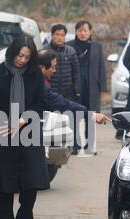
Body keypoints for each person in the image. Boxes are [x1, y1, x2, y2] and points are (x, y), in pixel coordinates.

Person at [0, 49, 110, 219]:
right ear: (40, 67)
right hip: (1, 136)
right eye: (53, 67)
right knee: (2, 180)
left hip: (25, 140)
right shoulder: (1, 76)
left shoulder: (36, 84)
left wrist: (89, 114)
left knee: (22, 182)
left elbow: (58, 102)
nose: (55, 71)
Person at [0, 35, 49, 219]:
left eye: (27, 57)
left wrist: (23, 119)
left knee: (32, 185)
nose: (22, 60)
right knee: (5, 189)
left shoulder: (35, 73)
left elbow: (41, 103)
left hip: (28, 132)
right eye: (20, 55)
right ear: (12, 52)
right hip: (2, 134)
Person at [66, 20, 107, 155]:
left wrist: (103, 87)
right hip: (74, 86)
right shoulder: (69, 46)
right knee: (74, 115)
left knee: (91, 115)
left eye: (85, 31)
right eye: (80, 31)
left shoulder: (96, 46)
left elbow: (101, 66)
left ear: (90, 32)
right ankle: (75, 146)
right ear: (76, 32)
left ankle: (90, 146)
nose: (83, 33)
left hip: (92, 86)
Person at [44, 24, 82, 154]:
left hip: (68, 92)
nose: (60, 38)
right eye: (57, 35)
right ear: (52, 35)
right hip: (51, 92)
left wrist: (77, 90)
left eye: (62, 35)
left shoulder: (70, 51)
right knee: (52, 121)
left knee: (71, 119)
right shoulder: (45, 51)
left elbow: (76, 72)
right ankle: (53, 146)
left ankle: (75, 146)